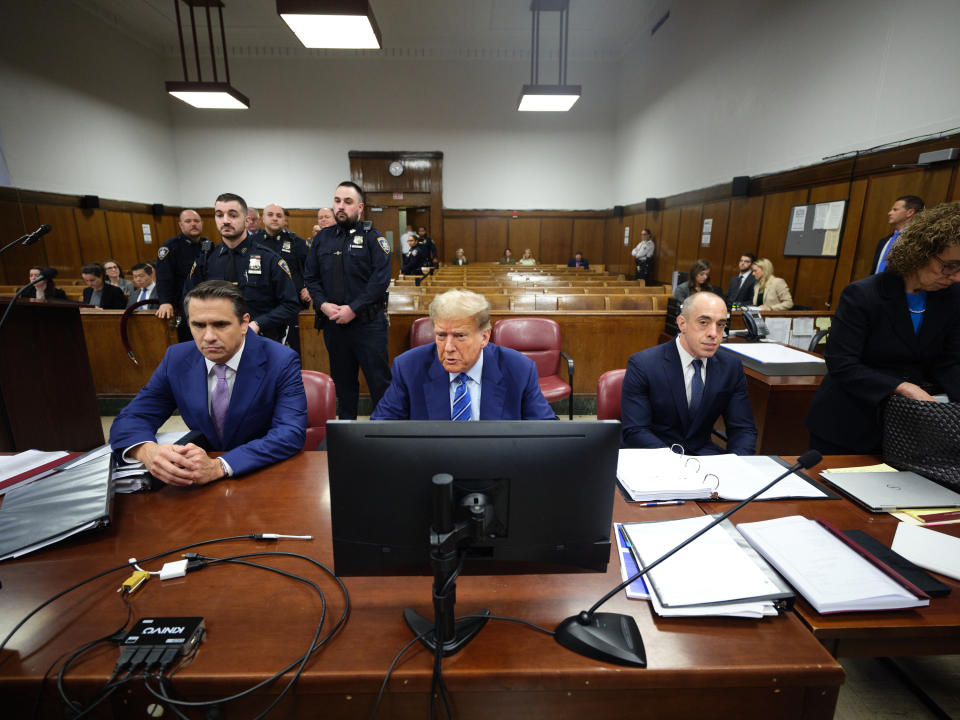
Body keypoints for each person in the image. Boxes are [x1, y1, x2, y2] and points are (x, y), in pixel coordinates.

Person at [109, 280, 307, 484]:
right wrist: (148, 452)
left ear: (244, 323)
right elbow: (132, 417)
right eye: (198, 325)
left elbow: (289, 433)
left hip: (263, 475)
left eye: (220, 324)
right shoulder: (176, 358)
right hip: (195, 479)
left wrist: (220, 465)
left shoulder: (281, 359)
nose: (209, 336)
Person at [805, 202, 960, 455]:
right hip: (848, 423)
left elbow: (950, 361)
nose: (956, 276)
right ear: (920, 252)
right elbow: (843, 364)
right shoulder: (864, 295)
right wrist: (901, 387)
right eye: (950, 266)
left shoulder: (953, 297)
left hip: (909, 431)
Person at [371, 289, 556, 420]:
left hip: (497, 467)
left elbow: (547, 434)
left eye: (460, 336)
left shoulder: (519, 369)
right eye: (441, 335)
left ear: (484, 337)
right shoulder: (409, 367)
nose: (448, 347)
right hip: (431, 468)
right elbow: (380, 430)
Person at [621, 292, 757, 455]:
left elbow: (743, 429)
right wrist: (677, 463)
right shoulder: (643, 364)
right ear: (682, 323)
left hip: (702, 454)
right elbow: (636, 430)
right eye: (703, 322)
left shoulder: (731, 367)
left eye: (720, 324)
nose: (714, 333)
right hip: (653, 455)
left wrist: (736, 464)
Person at [304, 181, 391, 420]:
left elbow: (380, 281)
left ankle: (387, 435)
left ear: (360, 207)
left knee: (379, 382)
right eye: (337, 201)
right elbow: (311, 278)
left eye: (348, 202)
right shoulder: (321, 239)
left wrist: (353, 309)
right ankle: (347, 435)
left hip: (368, 325)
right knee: (343, 384)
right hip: (335, 325)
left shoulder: (374, 238)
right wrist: (322, 304)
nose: (341, 207)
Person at [183, 193, 300, 343]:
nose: (225, 221)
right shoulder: (207, 259)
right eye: (219, 215)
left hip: (260, 339)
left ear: (246, 220)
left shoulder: (269, 259)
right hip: (216, 341)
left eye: (232, 215)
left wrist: (258, 324)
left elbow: (290, 305)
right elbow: (189, 298)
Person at [253, 203, 311, 352]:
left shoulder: (295, 242)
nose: (274, 218)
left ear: (284, 219)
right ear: (262, 219)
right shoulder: (252, 243)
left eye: (279, 215)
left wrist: (307, 287)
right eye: (270, 215)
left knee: (292, 349)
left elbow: (311, 269)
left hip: (291, 304)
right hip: (262, 305)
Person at [156, 209, 210, 342]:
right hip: (182, 305)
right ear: (181, 225)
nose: (193, 224)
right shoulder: (170, 247)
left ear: (202, 223)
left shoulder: (207, 245)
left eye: (196, 221)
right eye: (188, 221)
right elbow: (163, 277)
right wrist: (165, 302)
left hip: (206, 302)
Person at [873, 195, 924, 274]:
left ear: (910, 212)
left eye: (895, 210)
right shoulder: (884, 241)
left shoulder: (917, 242)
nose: (889, 213)